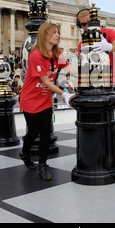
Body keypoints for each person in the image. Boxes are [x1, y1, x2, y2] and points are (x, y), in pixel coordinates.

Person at [19, 23, 74, 180]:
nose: (58, 35)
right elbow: (46, 82)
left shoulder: (57, 55)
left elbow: (71, 71)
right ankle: (25, 152)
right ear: (45, 35)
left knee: (45, 133)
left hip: (45, 100)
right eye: (54, 32)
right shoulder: (36, 55)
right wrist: (65, 94)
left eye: (58, 32)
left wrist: (89, 70)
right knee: (33, 131)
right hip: (30, 99)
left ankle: (42, 166)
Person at [77, 9, 115, 164]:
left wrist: (108, 47)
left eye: (88, 23)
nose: (86, 27)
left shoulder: (109, 32)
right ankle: (102, 148)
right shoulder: (82, 42)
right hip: (96, 84)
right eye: (83, 25)